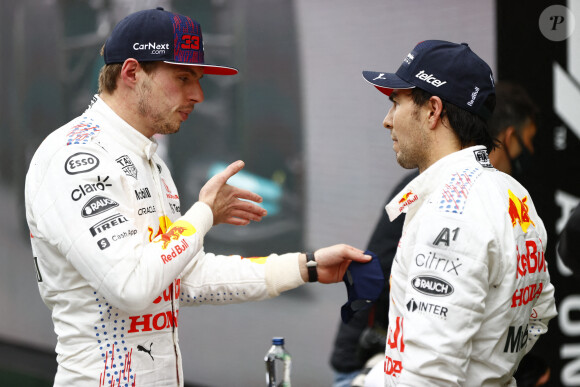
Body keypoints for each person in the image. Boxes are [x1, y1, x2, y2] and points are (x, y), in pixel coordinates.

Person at [24, 8, 371, 386]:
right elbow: (132, 285)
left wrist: (308, 267)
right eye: (184, 77)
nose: (199, 95)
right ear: (130, 73)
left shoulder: (150, 163)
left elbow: (182, 278)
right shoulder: (72, 158)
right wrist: (203, 213)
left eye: (199, 79)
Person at [357, 40, 557, 386]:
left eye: (396, 103)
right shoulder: (512, 192)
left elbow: (429, 376)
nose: (387, 121)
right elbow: (540, 311)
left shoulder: (450, 212)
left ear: (433, 110)